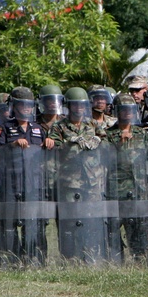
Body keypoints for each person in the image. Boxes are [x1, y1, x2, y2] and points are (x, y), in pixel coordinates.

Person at [48, 87, 110, 263]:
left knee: (91, 220)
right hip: (69, 182)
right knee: (69, 222)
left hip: (92, 181)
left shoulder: (93, 125)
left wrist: (97, 140)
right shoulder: (59, 126)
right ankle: (70, 259)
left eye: (82, 105)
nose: (79, 109)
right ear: (69, 106)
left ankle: (91, 257)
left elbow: (106, 143)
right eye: (75, 105)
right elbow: (55, 148)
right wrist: (72, 142)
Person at [0, 86, 54, 266]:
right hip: (11, 182)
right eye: (23, 105)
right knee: (10, 223)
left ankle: (36, 258)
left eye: (29, 105)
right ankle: (13, 260)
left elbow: (46, 157)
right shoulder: (4, 128)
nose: (27, 109)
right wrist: (12, 144)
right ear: (14, 106)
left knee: (34, 222)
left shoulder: (38, 129)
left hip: (33, 182)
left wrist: (48, 143)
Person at [107, 93, 148, 264]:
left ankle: (142, 267)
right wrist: (117, 143)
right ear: (117, 111)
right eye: (124, 110)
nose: (128, 113)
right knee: (113, 235)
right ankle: (117, 267)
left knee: (140, 234)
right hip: (116, 193)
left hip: (139, 192)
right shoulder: (108, 135)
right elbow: (102, 159)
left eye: (130, 110)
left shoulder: (141, 133)